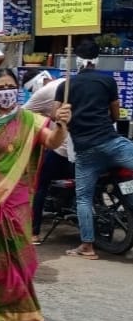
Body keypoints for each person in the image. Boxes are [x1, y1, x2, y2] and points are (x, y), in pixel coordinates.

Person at [0, 53, 71, 321]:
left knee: (14, 255)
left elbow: (52, 142)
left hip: (16, 199)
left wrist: (61, 124)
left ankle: (11, 309)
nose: (5, 92)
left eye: (10, 87)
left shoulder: (31, 121)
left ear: (19, 90)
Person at [56, 39, 133, 260]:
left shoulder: (65, 86)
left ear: (76, 60)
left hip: (85, 150)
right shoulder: (107, 81)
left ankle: (87, 247)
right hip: (111, 143)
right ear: (97, 59)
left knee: (83, 199)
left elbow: (56, 115)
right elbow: (116, 114)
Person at [23, 75, 75, 241]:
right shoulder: (66, 83)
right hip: (92, 147)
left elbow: (20, 117)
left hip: (65, 149)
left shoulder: (45, 91)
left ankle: (34, 232)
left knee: (39, 182)